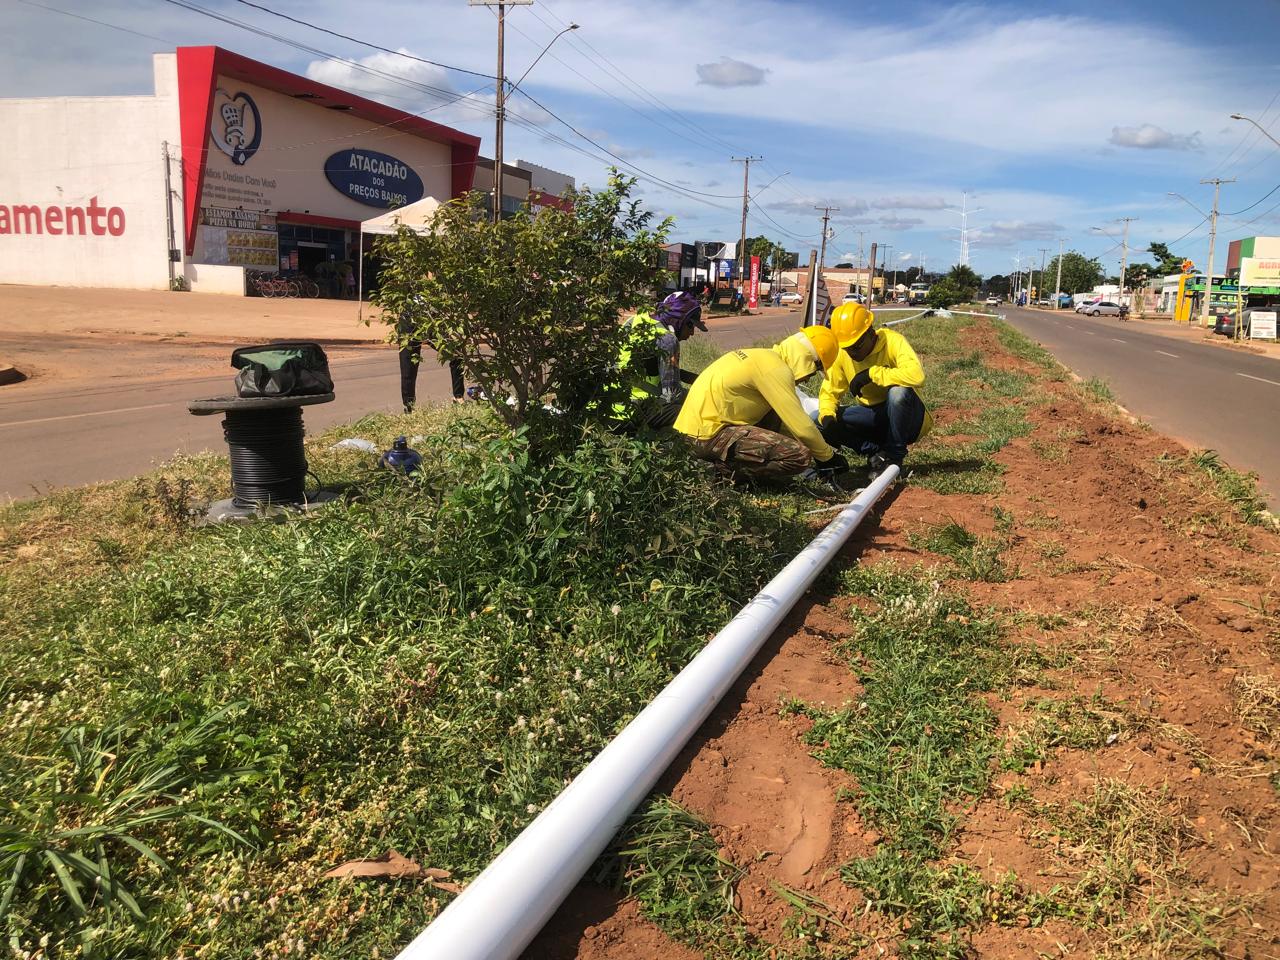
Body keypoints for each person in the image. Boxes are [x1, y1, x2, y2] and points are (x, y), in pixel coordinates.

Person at [675, 326, 849, 481]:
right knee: (799, 456)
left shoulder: (763, 357)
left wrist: (816, 446)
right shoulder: (776, 369)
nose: (808, 379)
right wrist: (828, 457)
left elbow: (787, 422)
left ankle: (711, 464)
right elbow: (801, 426)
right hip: (706, 437)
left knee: (777, 414)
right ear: (809, 361)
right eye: (814, 371)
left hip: (690, 433)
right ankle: (715, 473)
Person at [818, 302, 933, 473]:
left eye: (856, 346)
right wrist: (828, 416)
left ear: (871, 333)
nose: (852, 353)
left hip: (909, 421)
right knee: (818, 419)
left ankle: (894, 457)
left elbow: (917, 376)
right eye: (847, 348)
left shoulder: (892, 341)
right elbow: (829, 392)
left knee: (898, 393)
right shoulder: (843, 354)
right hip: (874, 418)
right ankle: (875, 452)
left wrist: (872, 374)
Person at [615, 291, 708, 429]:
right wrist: (701, 395)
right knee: (698, 410)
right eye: (690, 326)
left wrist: (700, 379)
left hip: (607, 409)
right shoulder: (667, 339)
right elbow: (672, 395)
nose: (692, 333)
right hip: (630, 413)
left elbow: (654, 367)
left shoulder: (635, 320)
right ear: (678, 321)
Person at [396, 303, 465, 412]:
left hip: (431, 320)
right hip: (408, 320)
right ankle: (408, 407)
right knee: (408, 367)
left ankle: (458, 397)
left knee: (456, 354)